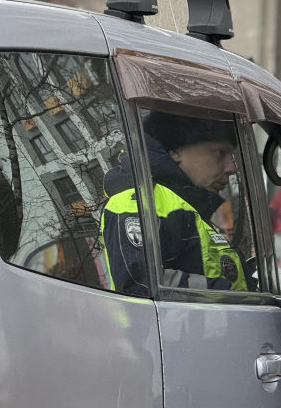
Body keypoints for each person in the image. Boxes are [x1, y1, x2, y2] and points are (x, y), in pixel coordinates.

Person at [101, 111, 247, 295]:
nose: (232, 167)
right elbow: (141, 285)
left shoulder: (187, 207)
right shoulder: (139, 202)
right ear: (176, 151)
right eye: (220, 153)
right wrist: (238, 298)